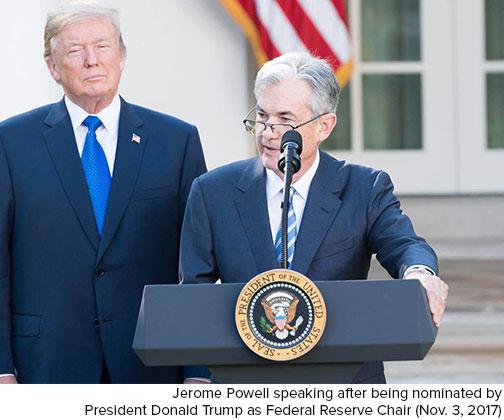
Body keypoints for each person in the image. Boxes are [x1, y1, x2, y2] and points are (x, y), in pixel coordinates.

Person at [0, 1, 206, 384]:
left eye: (102, 46)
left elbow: (198, 267)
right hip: (45, 364)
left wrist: (199, 371)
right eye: (75, 50)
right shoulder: (10, 143)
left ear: (121, 56)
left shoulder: (176, 141)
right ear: (52, 67)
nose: (92, 60)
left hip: (151, 364)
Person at [179, 52, 447, 384]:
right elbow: (194, 291)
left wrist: (420, 273)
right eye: (261, 115)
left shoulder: (363, 187)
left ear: (324, 125)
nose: (267, 132)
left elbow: (405, 245)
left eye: (284, 120)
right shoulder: (212, 191)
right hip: (245, 383)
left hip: (342, 384)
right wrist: (198, 375)